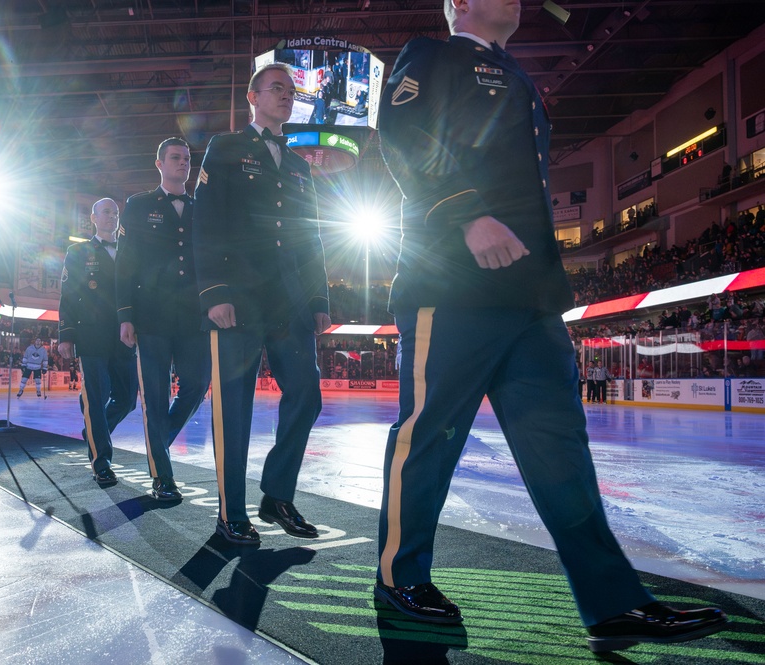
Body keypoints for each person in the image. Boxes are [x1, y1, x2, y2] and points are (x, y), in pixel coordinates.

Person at [373, 0, 727, 653]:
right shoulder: (432, 56)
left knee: (562, 453)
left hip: (529, 298)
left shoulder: (520, 78)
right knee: (429, 434)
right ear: (460, 3)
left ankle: (613, 601)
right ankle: (400, 580)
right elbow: (403, 135)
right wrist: (464, 214)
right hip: (453, 281)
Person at [192, 62, 331, 545]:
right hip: (238, 296)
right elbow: (206, 222)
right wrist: (214, 292)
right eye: (276, 88)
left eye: (291, 92)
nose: (286, 96)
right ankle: (231, 512)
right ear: (251, 95)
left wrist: (318, 297)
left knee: (307, 395)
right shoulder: (226, 148)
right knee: (235, 405)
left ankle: (277, 494)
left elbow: (309, 235)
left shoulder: (297, 165)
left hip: (289, 298)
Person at [117, 137, 211, 501]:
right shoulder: (139, 205)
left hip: (192, 316)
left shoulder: (199, 206)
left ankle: (160, 444)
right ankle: (162, 477)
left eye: (187, 158)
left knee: (198, 383)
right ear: (159, 163)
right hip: (151, 315)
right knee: (154, 396)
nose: (183, 163)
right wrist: (125, 315)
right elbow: (125, 263)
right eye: (175, 157)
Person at [57, 198, 138, 487]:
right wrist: (65, 333)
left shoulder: (130, 249)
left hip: (125, 334)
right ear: (93, 217)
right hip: (91, 334)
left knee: (128, 399)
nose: (112, 217)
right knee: (96, 395)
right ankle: (101, 461)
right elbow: (68, 294)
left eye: (115, 213)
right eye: (106, 212)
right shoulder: (78, 251)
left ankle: (93, 428)